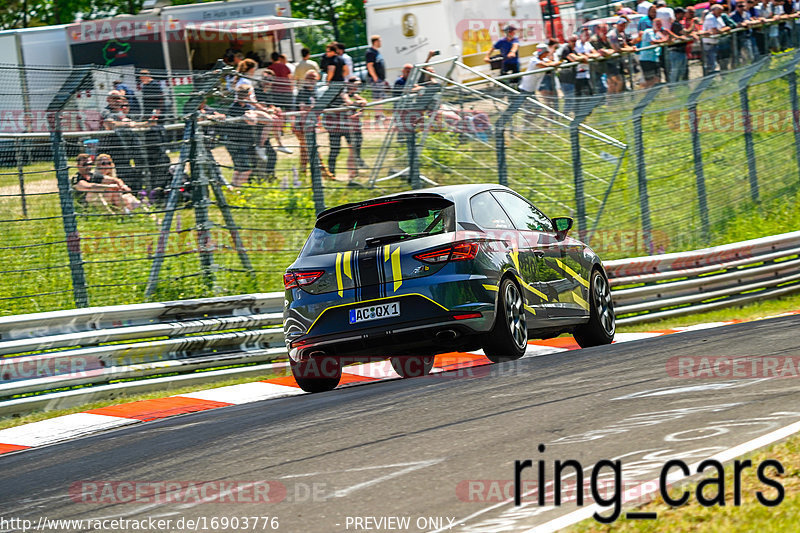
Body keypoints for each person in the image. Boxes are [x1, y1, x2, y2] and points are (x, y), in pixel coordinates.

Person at [606, 17, 636, 93]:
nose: (623, 27)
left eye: (624, 25)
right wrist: (630, 49)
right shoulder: (612, 35)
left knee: (620, 82)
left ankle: (618, 99)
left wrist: (631, 48)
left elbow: (625, 45)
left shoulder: (621, 33)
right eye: (621, 25)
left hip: (619, 62)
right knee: (615, 82)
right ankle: (613, 101)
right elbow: (617, 49)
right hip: (610, 63)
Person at [638, 18, 668, 87]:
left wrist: (665, 38)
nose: (658, 26)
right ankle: (647, 94)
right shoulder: (648, 31)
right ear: (652, 24)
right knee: (650, 80)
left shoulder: (658, 33)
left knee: (657, 79)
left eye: (660, 24)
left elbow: (666, 39)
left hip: (655, 59)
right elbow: (653, 42)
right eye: (657, 24)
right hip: (646, 60)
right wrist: (664, 39)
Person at [570, 28, 599, 96]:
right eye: (586, 35)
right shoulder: (577, 44)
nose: (588, 36)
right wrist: (588, 55)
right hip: (577, 74)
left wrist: (588, 55)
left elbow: (596, 53)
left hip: (587, 72)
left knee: (590, 92)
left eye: (588, 35)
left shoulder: (588, 44)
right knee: (578, 94)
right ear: (581, 35)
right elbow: (581, 56)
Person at [702, 4, 730, 72]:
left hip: (716, 42)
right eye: (719, 12)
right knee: (711, 64)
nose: (720, 14)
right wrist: (721, 30)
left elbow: (726, 27)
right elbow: (715, 31)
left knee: (719, 62)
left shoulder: (718, 17)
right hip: (709, 43)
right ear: (714, 11)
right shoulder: (710, 17)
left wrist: (721, 30)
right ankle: (710, 79)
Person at [554, 34, 578, 110]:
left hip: (571, 77)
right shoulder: (566, 49)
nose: (574, 43)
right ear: (569, 41)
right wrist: (582, 57)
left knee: (572, 99)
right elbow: (574, 59)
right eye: (573, 41)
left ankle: (568, 116)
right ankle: (565, 117)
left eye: (575, 41)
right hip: (565, 78)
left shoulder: (573, 49)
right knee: (569, 100)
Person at [667, 8, 691, 82]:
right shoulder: (676, 24)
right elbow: (685, 33)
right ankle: (673, 89)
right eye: (682, 13)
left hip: (681, 51)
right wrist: (693, 24)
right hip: (676, 51)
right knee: (675, 72)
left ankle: (680, 87)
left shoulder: (679, 24)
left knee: (681, 71)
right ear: (677, 14)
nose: (683, 15)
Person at [365, 35, 388, 101]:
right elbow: (370, 65)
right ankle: (378, 111)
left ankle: (380, 111)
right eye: (379, 41)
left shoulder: (376, 52)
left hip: (380, 78)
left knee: (381, 97)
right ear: (375, 42)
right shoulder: (370, 52)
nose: (381, 43)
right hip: (376, 79)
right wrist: (375, 78)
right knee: (377, 98)